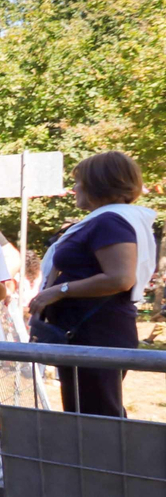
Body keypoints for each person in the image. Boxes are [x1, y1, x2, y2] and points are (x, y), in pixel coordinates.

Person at [30, 151, 157, 417]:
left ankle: (107, 460)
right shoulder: (111, 219)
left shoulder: (110, 221)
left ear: (99, 183)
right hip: (91, 330)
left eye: (80, 181)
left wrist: (59, 290)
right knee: (88, 414)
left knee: (96, 419)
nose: (74, 188)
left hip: (95, 332)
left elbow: (120, 278)